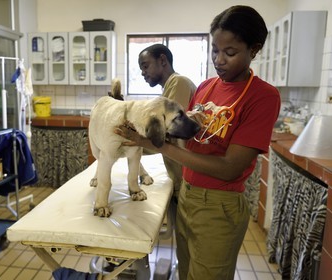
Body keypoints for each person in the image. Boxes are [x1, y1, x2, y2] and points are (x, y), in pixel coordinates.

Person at [115, 5, 281, 280]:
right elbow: (186, 137)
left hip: (219, 206)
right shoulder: (206, 87)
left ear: (254, 49)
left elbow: (229, 168)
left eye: (230, 53)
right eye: (215, 50)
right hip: (188, 196)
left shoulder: (263, 97)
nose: (219, 60)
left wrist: (160, 145)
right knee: (187, 272)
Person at [138, 43, 197, 200]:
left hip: (187, 179)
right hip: (179, 176)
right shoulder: (169, 88)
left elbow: (167, 131)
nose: (143, 73)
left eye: (145, 66)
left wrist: (135, 140)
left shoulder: (179, 82)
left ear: (162, 60)